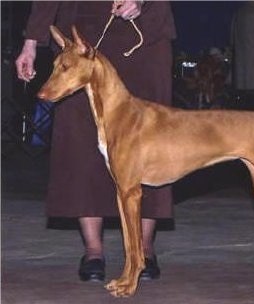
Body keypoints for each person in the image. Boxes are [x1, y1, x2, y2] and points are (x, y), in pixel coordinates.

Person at [15, 1, 176, 282]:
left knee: (151, 145)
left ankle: (144, 250)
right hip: (82, 34)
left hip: (142, 35)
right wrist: (31, 42)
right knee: (79, 144)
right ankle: (93, 250)